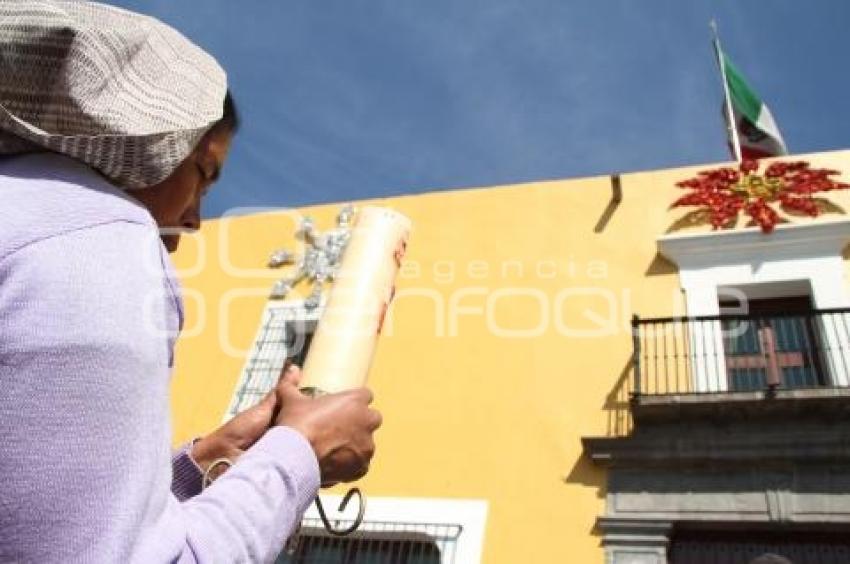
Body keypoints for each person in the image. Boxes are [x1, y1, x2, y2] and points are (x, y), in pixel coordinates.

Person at [0, 2, 380, 562]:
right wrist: (301, 453)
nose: (196, 220)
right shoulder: (100, 236)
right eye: (202, 173)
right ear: (141, 131)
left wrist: (202, 464)